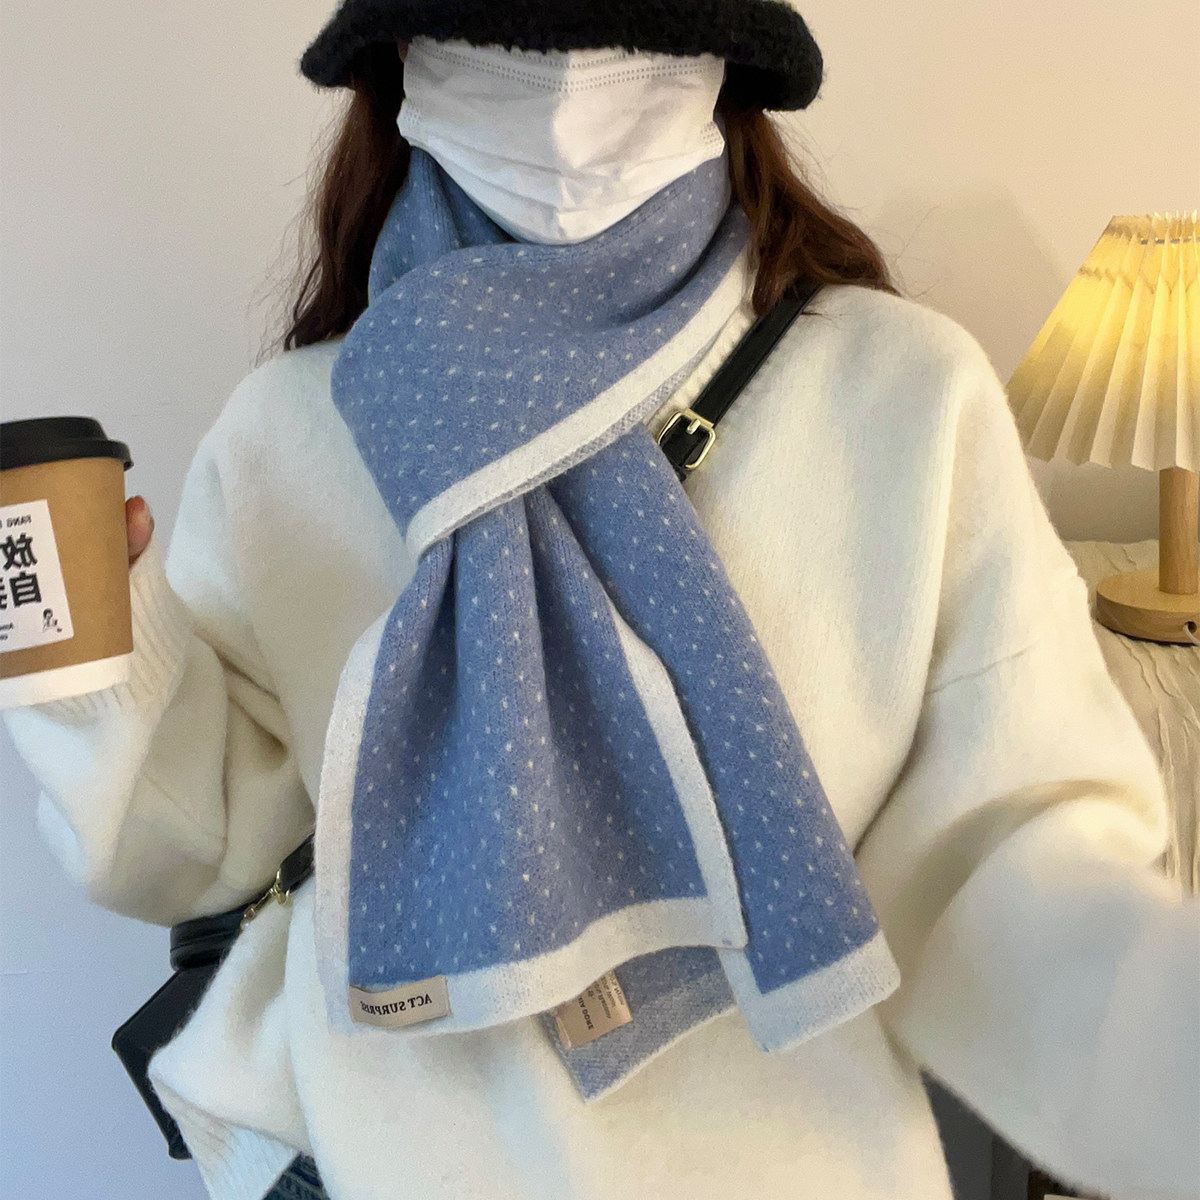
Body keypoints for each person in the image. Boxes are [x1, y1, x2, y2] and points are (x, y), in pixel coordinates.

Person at [6, 3, 1198, 1200]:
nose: (565, 82)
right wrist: (83, 665)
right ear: (407, 58)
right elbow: (206, 854)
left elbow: (1003, 861)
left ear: (723, 56)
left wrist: (1160, 1060)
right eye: (502, 24)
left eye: (626, 24)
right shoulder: (291, 427)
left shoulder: (903, 397)